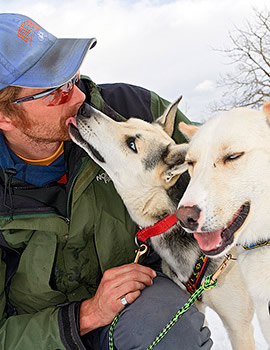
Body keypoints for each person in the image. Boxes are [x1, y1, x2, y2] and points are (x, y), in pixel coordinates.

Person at [0, 13, 213, 350]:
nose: (77, 98)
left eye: (72, 77)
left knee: (170, 327)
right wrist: (87, 314)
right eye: (53, 92)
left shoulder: (133, 111)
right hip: (41, 335)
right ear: (4, 115)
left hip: (135, 309)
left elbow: (223, 163)